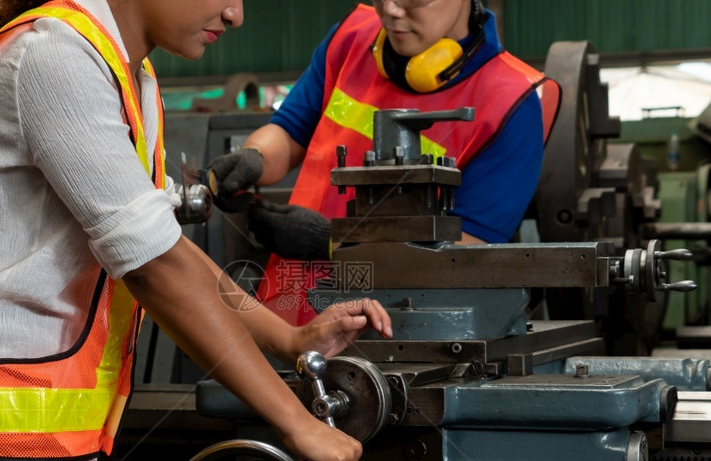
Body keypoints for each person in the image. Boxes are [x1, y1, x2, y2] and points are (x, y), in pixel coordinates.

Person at [0, 0, 393, 461]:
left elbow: (166, 247)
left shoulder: (128, 72)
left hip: (17, 429)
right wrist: (297, 425)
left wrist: (289, 340)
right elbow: (154, 268)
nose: (236, 14)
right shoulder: (53, 55)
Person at [206, 0, 560, 325]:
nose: (390, 10)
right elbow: (290, 129)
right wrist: (252, 157)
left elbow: (462, 255)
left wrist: (330, 243)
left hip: (397, 332)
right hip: (286, 316)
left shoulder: (512, 101)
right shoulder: (351, 38)